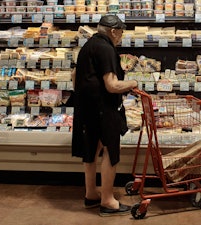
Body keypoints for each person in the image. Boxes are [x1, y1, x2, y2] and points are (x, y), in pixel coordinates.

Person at [71, 15, 138, 217]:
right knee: (110, 151)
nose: (121, 36)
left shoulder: (88, 45)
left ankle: (91, 194)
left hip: (86, 108)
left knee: (92, 150)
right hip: (104, 109)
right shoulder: (107, 48)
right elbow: (112, 85)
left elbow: (74, 77)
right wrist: (132, 83)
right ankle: (108, 201)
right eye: (121, 32)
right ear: (113, 31)